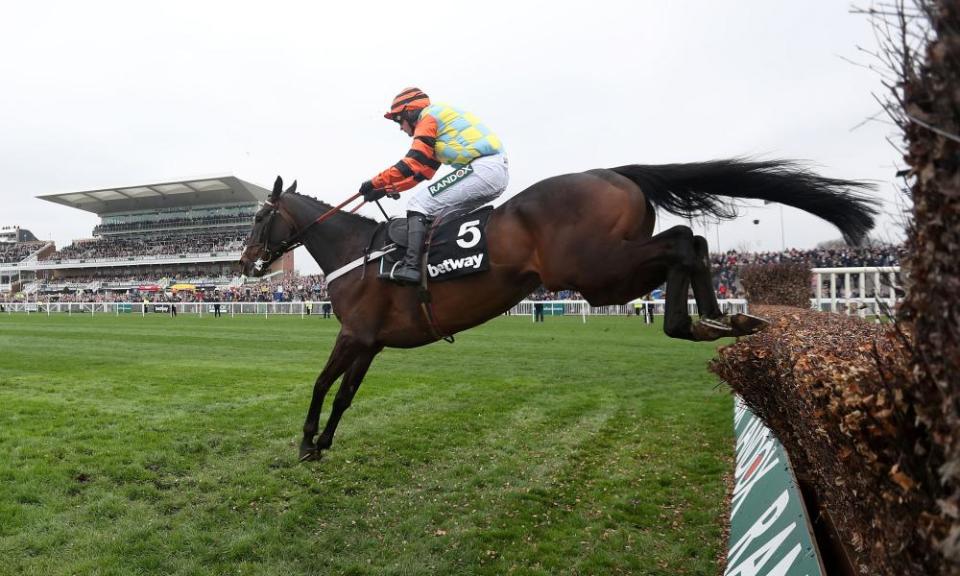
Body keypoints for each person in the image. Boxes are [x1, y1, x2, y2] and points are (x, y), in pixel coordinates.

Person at [359, 87, 509, 284]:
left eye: (398, 120)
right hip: (492, 172)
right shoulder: (440, 129)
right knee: (434, 215)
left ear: (410, 111)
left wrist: (375, 181)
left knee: (416, 205)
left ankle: (411, 267)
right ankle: (446, 265)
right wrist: (384, 190)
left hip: (484, 169)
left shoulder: (428, 118)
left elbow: (411, 161)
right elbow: (421, 173)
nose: (400, 127)